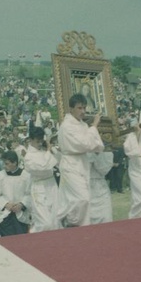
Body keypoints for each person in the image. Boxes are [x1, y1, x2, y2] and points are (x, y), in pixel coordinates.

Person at [56, 93, 103, 227]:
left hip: (81, 162)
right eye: (79, 108)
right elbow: (85, 144)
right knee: (82, 198)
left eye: (84, 108)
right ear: (71, 109)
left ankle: (80, 225)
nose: (83, 111)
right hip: (71, 164)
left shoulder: (81, 124)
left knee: (82, 198)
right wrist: (94, 126)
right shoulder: (67, 126)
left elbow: (94, 144)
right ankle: (70, 221)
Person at [23, 127, 61, 232]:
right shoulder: (28, 156)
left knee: (56, 219)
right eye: (37, 141)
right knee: (45, 222)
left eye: (41, 141)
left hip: (52, 185)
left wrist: (52, 149)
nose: (40, 143)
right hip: (39, 187)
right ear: (30, 140)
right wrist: (48, 151)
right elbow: (44, 166)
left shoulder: (45, 150)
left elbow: (59, 161)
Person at [0, 150, 32, 237]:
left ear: (15, 163)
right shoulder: (0, 176)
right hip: (6, 215)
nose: (4, 166)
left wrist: (21, 204)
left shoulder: (26, 175)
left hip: (21, 214)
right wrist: (5, 204)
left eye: (7, 164)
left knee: (22, 241)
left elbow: (30, 194)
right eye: (4, 163)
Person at [88, 151, 114, 224]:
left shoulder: (108, 153)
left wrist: (96, 154)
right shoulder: (80, 153)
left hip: (100, 185)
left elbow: (104, 170)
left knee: (105, 216)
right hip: (84, 185)